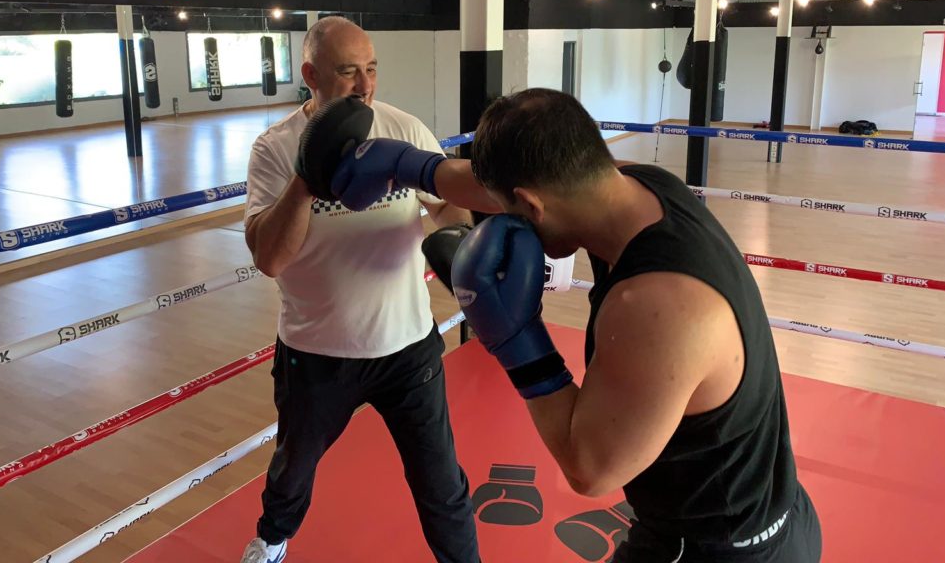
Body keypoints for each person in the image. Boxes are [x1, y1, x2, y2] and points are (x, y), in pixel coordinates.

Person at [330, 88, 822, 563]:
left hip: (712, 548)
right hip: (773, 511)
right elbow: (506, 186)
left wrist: (517, 338)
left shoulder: (653, 304)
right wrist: (409, 166)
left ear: (531, 204)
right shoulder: (635, 184)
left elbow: (590, 469)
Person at [240, 16, 481, 563]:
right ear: (310, 74)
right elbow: (270, 258)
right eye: (347, 72)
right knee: (293, 468)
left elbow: (449, 207)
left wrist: (457, 241)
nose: (365, 85)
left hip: (409, 349)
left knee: (441, 482)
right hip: (317, 354)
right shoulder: (275, 150)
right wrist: (307, 179)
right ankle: (273, 539)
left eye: (371, 69)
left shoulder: (403, 128)